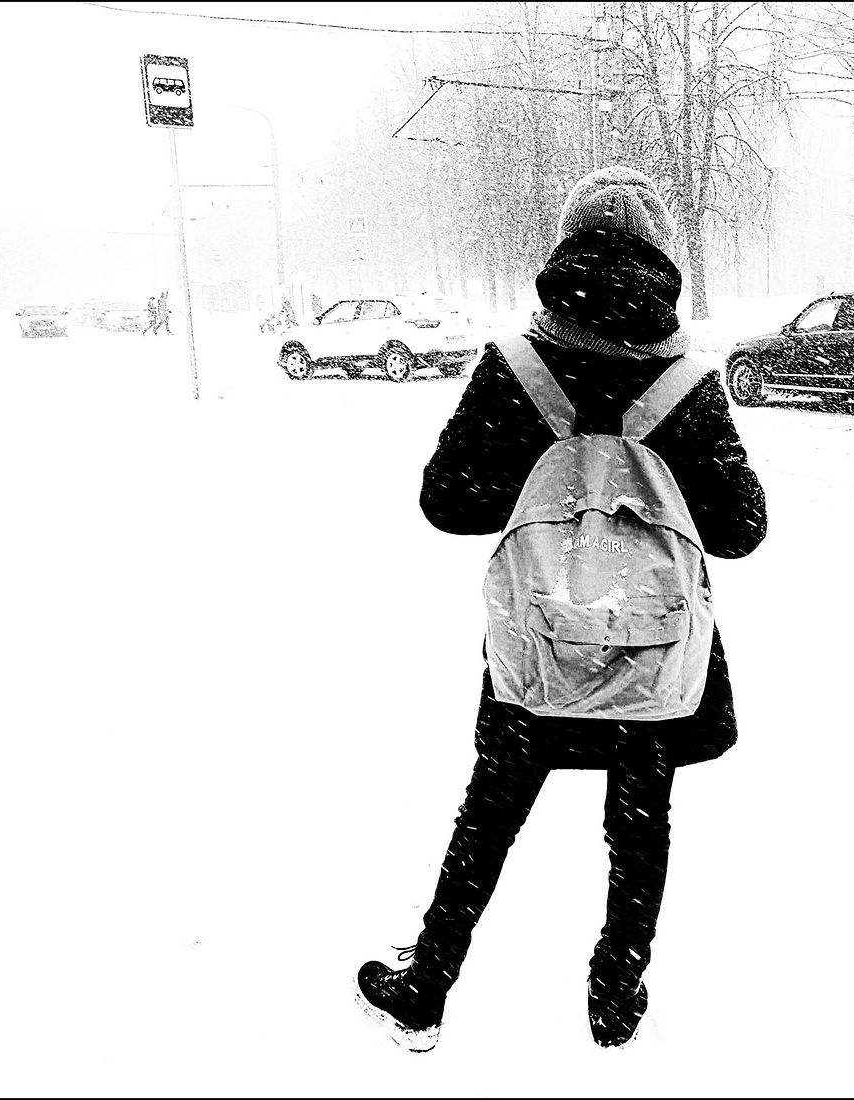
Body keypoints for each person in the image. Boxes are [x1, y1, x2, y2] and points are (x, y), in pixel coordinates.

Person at [355, 166, 767, 1051]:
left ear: (565, 250)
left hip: (539, 641)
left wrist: (542, 481)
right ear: (661, 259)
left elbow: (446, 503)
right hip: (651, 651)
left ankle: (426, 983)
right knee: (640, 824)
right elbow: (741, 530)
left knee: (490, 811)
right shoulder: (687, 382)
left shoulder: (515, 369)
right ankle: (616, 990)